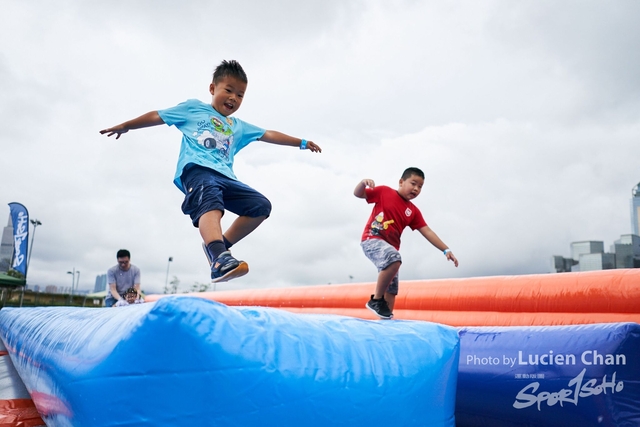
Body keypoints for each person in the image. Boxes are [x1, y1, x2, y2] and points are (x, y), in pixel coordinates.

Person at [100, 60, 321, 283]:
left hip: (226, 177)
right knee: (211, 198)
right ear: (213, 88)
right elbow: (158, 115)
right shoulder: (193, 108)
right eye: (229, 90)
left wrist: (301, 142)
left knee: (260, 206)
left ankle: (220, 247)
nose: (234, 98)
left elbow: (268, 134)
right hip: (197, 172)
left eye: (240, 95)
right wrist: (127, 125)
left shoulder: (238, 125)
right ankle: (218, 258)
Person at [354, 167, 459, 319]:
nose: (416, 189)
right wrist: (363, 183)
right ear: (401, 182)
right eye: (413, 183)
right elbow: (358, 194)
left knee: (392, 287)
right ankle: (376, 300)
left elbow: (427, 231)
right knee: (394, 258)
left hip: (390, 248)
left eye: (420, 187)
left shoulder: (413, 211)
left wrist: (445, 249)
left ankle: (386, 320)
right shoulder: (384, 192)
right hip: (372, 240)